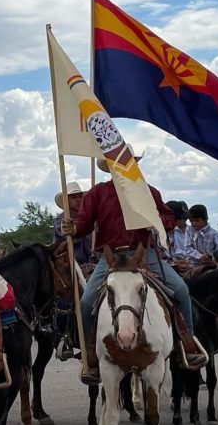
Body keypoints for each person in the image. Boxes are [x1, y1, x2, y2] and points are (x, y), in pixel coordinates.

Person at [62, 159, 208, 384]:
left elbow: (169, 218)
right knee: (86, 301)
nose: (121, 166)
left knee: (180, 290)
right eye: (116, 163)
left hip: (144, 253)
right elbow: (84, 223)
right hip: (109, 257)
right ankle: (90, 353)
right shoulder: (97, 193)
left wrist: (155, 220)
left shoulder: (148, 191)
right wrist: (73, 228)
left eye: (126, 162)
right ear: (109, 167)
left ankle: (186, 344)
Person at [53, 181, 92, 267]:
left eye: (80, 196)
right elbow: (65, 234)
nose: (79, 200)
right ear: (67, 201)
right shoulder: (61, 219)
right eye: (74, 197)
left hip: (90, 262)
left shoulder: (89, 218)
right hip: (68, 263)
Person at [166, 201, 192, 267]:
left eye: (184, 219)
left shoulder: (194, 231)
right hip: (175, 266)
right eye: (179, 219)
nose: (182, 221)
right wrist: (174, 262)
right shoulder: (167, 234)